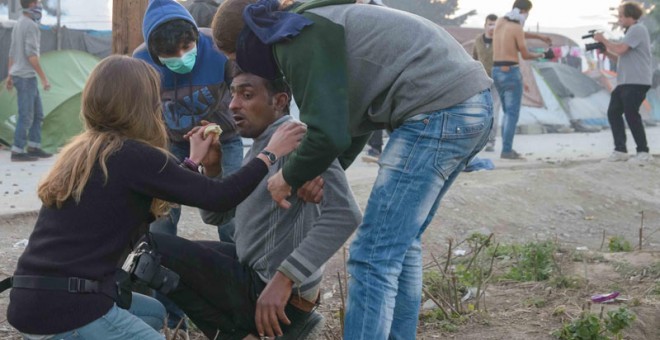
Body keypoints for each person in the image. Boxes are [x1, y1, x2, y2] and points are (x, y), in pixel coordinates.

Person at [213, 1, 493, 338]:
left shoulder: (295, 37)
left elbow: (328, 133)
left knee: (372, 255)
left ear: (249, 38)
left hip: (440, 109)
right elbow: (352, 121)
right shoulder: (308, 24)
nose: (243, 66)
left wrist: (287, 177)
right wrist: (315, 173)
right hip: (469, 104)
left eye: (235, 57)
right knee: (400, 248)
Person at [4, 55, 305, 340]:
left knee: (153, 312)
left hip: (31, 300)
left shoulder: (84, 153)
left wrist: (192, 163)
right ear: (140, 105)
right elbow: (219, 197)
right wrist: (269, 154)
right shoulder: (132, 155)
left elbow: (148, 191)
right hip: (71, 310)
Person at [148, 68, 361, 339]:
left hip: (273, 290)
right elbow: (217, 217)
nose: (233, 104)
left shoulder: (299, 140)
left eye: (247, 95)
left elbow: (346, 215)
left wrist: (285, 279)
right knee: (174, 256)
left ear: (280, 101)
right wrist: (213, 169)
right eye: (232, 95)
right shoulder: (263, 144)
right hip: (254, 272)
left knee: (156, 251)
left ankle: (258, 331)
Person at [134, 0, 242, 243]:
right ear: (154, 53)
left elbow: (242, 89)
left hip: (224, 139)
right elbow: (141, 111)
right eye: (170, 54)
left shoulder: (217, 48)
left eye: (187, 46)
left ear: (195, 37)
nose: (181, 57)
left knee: (231, 209)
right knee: (163, 212)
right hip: (172, 142)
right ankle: (159, 264)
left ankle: (238, 265)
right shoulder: (141, 62)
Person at [492, 0, 552, 159]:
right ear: (525, 12)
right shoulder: (517, 28)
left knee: (506, 112)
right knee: (511, 114)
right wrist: (541, 55)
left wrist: (538, 35)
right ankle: (506, 150)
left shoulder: (500, 22)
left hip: (496, 70)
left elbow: (516, 33)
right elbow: (525, 54)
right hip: (511, 71)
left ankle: (505, 148)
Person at [594, 2, 653, 163]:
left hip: (636, 81)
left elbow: (620, 49)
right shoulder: (630, 32)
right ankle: (620, 150)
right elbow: (620, 58)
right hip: (625, 81)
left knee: (631, 114)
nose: (619, 19)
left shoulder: (637, 29)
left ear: (630, 16)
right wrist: (605, 51)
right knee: (613, 112)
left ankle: (643, 151)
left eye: (621, 16)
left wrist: (603, 39)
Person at [6, 0, 52, 162]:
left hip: (21, 75)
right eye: (38, 2)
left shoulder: (19, 23)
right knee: (26, 116)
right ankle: (17, 150)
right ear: (32, 5)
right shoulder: (31, 26)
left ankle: (34, 146)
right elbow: (31, 56)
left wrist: (10, 75)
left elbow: (11, 52)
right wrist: (44, 78)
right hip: (26, 77)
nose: (40, 5)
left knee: (37, 114)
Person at [472, 14, 502, 152]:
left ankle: (491, 141)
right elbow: (474, 59)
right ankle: (478, 142)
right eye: (490, 24)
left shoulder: (501, 41)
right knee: (481, 111)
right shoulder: (478, 40)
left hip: (497, 80)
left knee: (494, 111)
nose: (492, 27)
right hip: (481, 80)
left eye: (495, 24)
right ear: (485, 25)